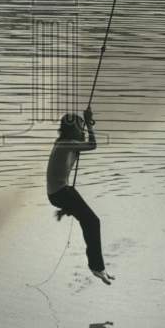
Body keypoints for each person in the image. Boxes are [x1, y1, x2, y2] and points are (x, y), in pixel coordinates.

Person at [46, 106, 114, 285]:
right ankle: (97, 267)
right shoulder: (67, 144)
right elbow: (92, 145)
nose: (81, 130)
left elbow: (81, 144)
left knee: (86, 218)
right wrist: (90, 124)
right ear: (72, 130)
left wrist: (86, 122)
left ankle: (66, 209)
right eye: (79, 127)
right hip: (62, 193)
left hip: (59, 193)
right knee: (93, 222)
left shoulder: (61, 143)